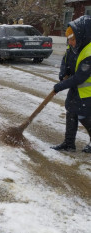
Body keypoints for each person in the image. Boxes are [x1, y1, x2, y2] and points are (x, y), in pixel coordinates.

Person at [52, 15, 91, 153]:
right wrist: (63, 73)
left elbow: (80, 77)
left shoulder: (89, 52)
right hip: (77, 89)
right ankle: (69, 144)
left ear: (82, 36)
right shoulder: (74, 47)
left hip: (88, 92)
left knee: (84, 117)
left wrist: (60, 86)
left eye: (73, 39)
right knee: (71, 113)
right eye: (69, 40)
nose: (70, 43)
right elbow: (66, 60)